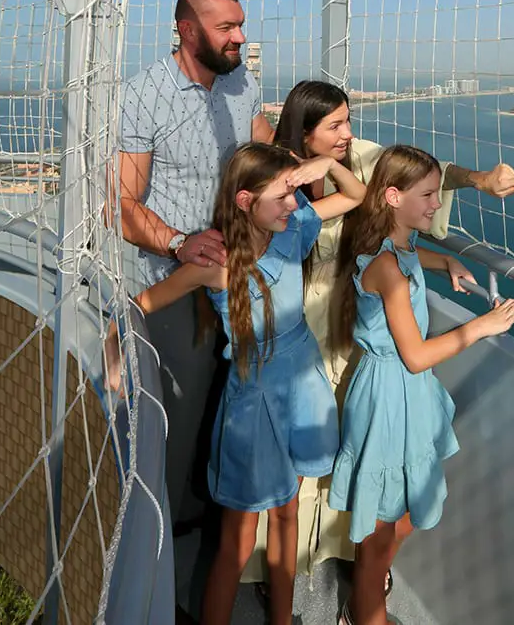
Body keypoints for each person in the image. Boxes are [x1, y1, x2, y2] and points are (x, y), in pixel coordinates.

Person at [247, 80, 514, 591]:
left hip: (353, 326)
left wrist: (481, 181)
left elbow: (420, 176)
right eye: (335, 125)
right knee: (303, 459)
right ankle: (282, 570)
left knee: (347, 457)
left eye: (348, 120)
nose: (348, 133)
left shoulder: (354, 159)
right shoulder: (277, 177)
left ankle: (356, 567)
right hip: (299, 328)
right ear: (303, 130)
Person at [108, 142, 367, 625]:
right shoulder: (216, 263)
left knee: (290, 514)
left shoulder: (291, 229)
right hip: (255, 407)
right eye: (283, 195)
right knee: (238, 540)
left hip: (302, 390)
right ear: (245, 201)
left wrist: (326, 165)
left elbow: (355, 196)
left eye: (294, 194)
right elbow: (139, 303)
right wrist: (112, 353)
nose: (296, 204)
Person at [329, 144, 514, 625]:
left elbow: (410, 257)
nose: (437, 204)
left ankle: (369, 588)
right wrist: (483, 326)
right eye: (429, 195)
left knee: (402, 515)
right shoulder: (389, 270)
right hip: (390, 400)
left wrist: (445, 263)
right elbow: (416, 356)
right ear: (393, 196)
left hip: (404, 398)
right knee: (380, 531)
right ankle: (364, 611)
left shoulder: (395, 245)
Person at [118, 0, 274, 542]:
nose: (240, 37)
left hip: (237, 274)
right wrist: (181, 243)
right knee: (177, 415)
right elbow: (122, 205)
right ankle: (160, 540)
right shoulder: (142, 95)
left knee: (223, 394)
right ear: (187, 31)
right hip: (176, 280)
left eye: (240, 25)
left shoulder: (240, 83)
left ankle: (205, 512)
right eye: (226, 27)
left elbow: (266, 155)